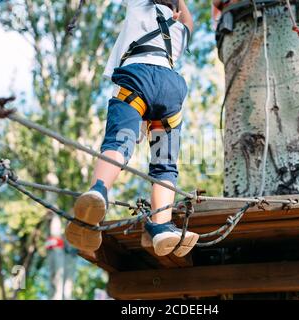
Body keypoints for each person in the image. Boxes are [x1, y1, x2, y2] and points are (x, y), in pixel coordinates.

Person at [65, 0, 199, 258]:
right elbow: (188, 21)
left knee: (119, 143)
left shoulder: (139, 6)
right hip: (170, 88)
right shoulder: (179, 32)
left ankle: (99, 190)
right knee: (165, 164)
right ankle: (161, 227)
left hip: (138, 79)